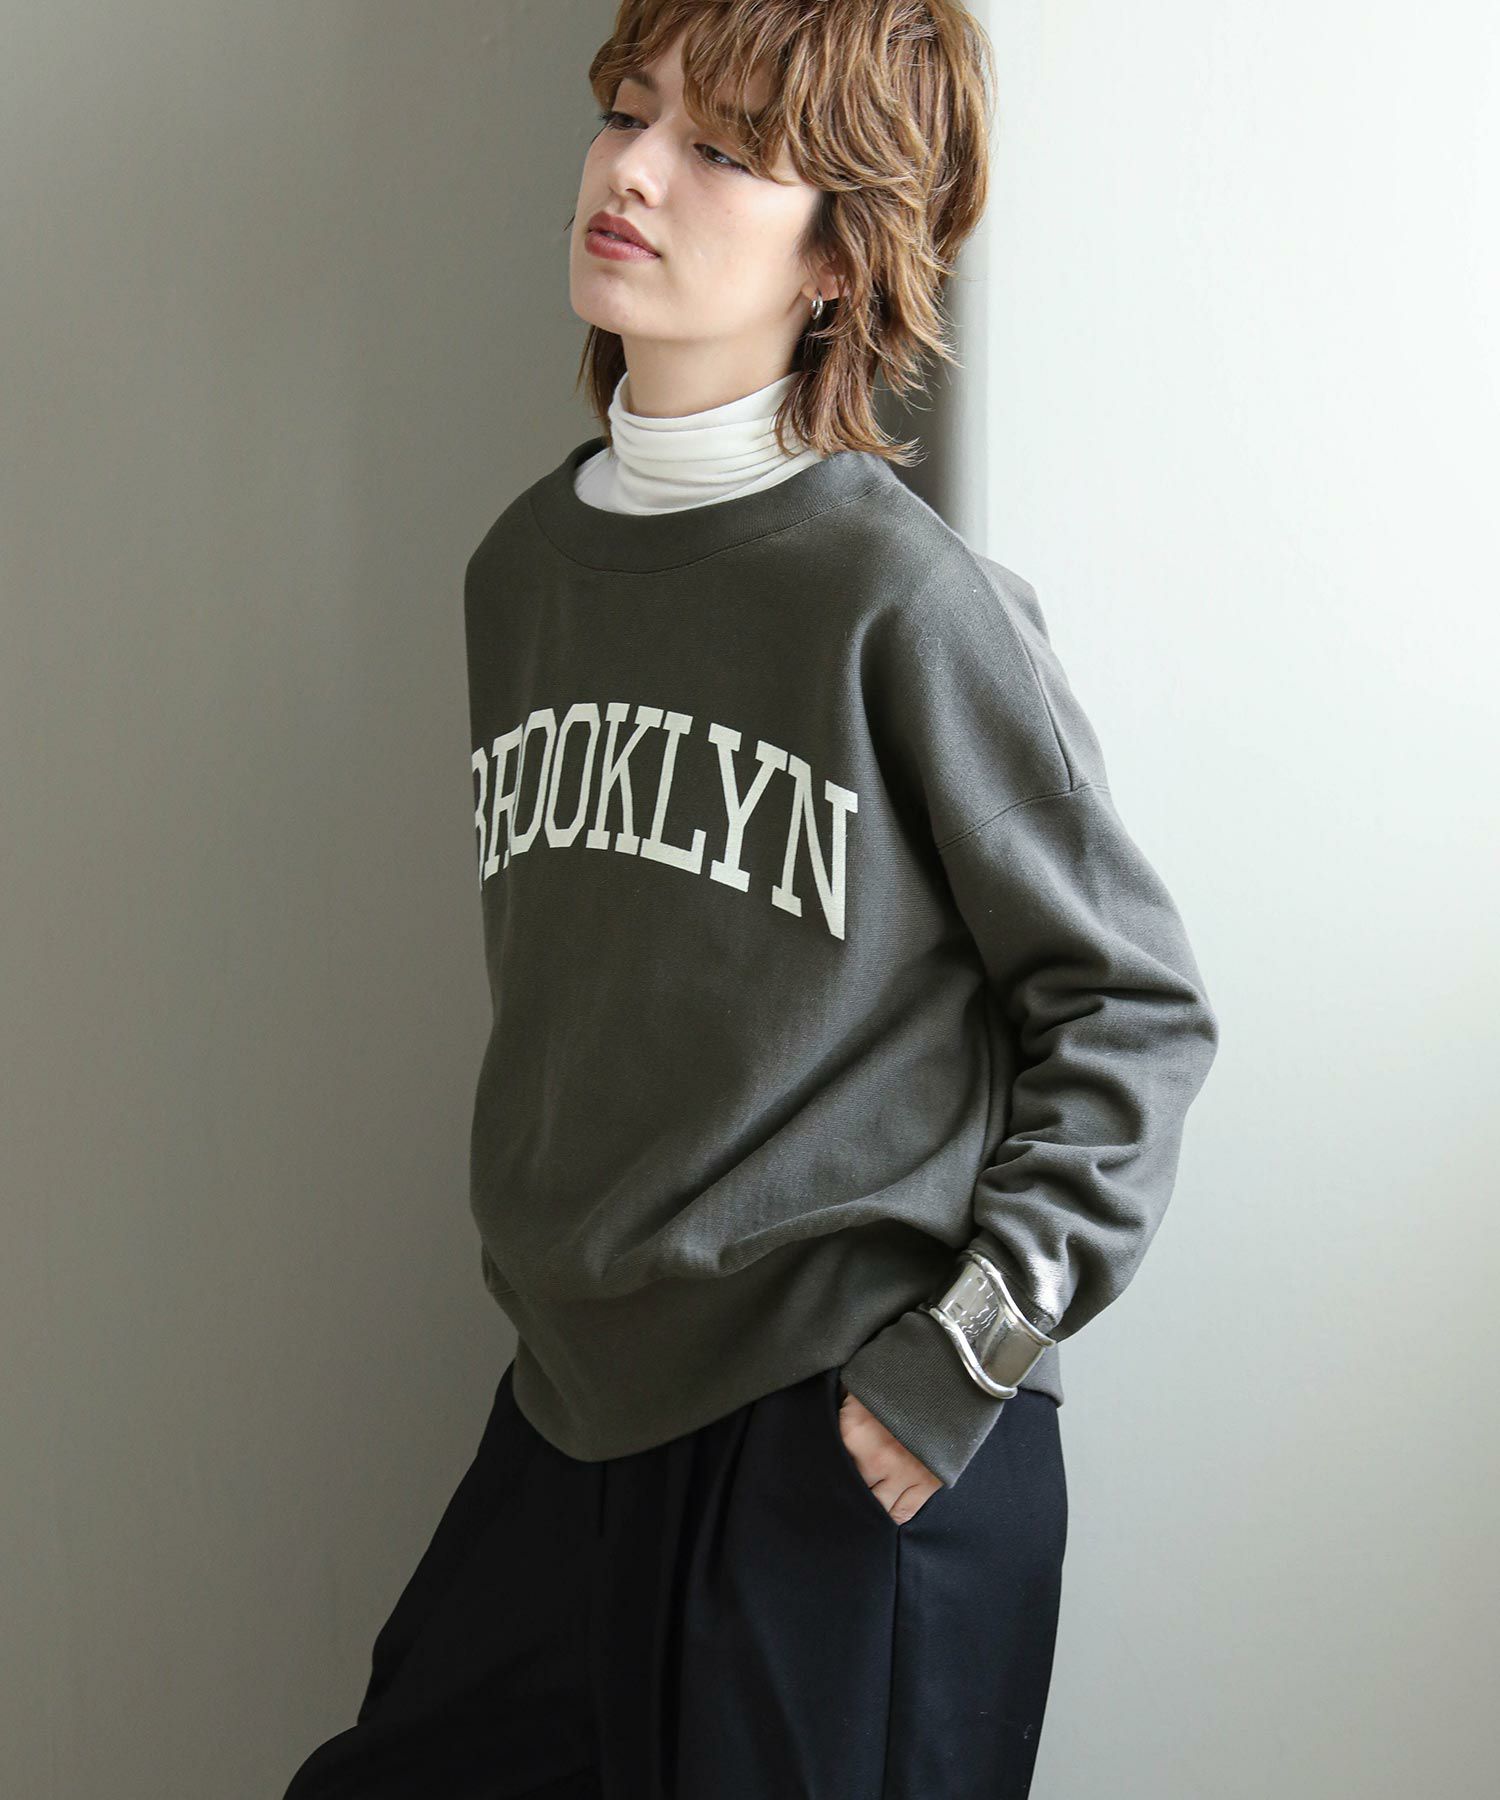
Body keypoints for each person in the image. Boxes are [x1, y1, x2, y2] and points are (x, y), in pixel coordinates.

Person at [282, 3, 1220, 1796]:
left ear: (839, 256)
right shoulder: (522, 571)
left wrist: (962, 1358)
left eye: (721, 148)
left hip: (833, 1428)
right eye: (629, 111)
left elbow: (1132, 1009)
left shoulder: (901, 598)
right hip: (573, 1408)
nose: (633, 168)